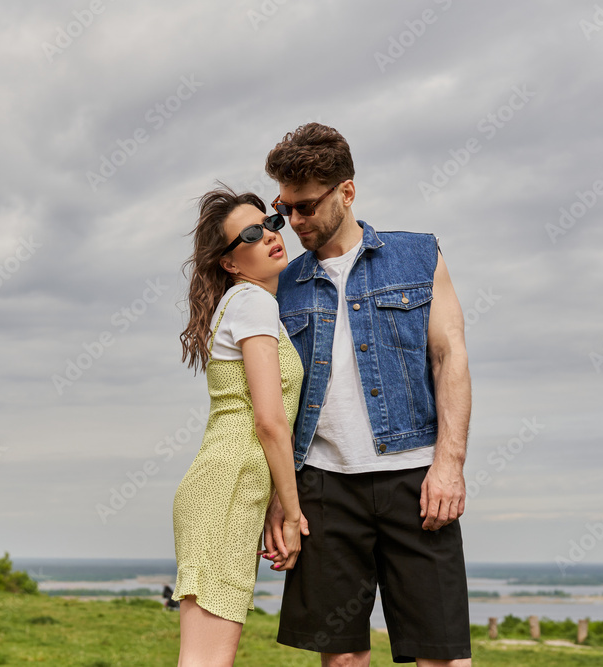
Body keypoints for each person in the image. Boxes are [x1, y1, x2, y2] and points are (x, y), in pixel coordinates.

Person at [260, 123, 473, 666]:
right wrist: (279, 502)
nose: (296, 222)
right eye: (286, 210)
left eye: (306, 206)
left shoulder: (418, 256)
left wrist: (449, 464)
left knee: (442, 655)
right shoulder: (282, 284)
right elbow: (269, 400)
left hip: (417, 481)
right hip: (324, 488)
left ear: (346, 191)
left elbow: (449, 357)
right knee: (344, 658)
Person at [172, 186, 309, 667]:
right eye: (251, 234)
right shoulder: (253, 302)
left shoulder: (248, 303)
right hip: (226, 488)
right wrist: (292, 514)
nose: (271, 234)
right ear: (230, 262)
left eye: (271, 222)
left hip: (228, 488)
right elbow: (270, 422)